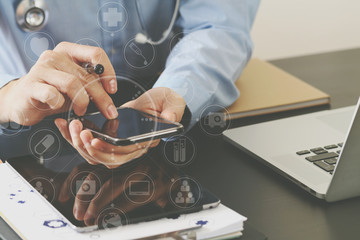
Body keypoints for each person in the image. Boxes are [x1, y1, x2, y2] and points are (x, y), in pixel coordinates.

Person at [0, 0, 260, 168]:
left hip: (165, 128)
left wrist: (178, 88)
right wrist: (7, 93)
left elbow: (220, 27)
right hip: (25, 136)